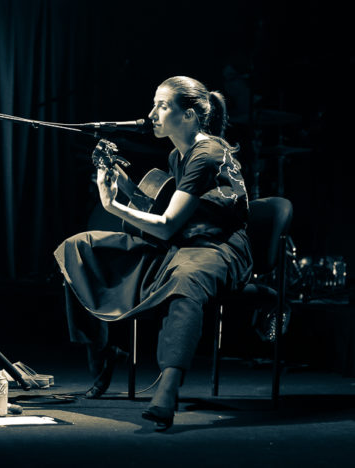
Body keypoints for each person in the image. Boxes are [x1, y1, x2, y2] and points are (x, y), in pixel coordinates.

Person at [53, 76, 253, 430]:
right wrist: (122, 183)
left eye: (162, 106)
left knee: (187, 279)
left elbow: (165, 224)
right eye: (154, 104)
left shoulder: (207, 155)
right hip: (181, 244)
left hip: (218, 250)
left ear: (189, 115)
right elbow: (164, 211)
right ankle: (105, 350)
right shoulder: (178, 155)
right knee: (80, 248)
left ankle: (168, 389)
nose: (151, 114)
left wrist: (112, 205)